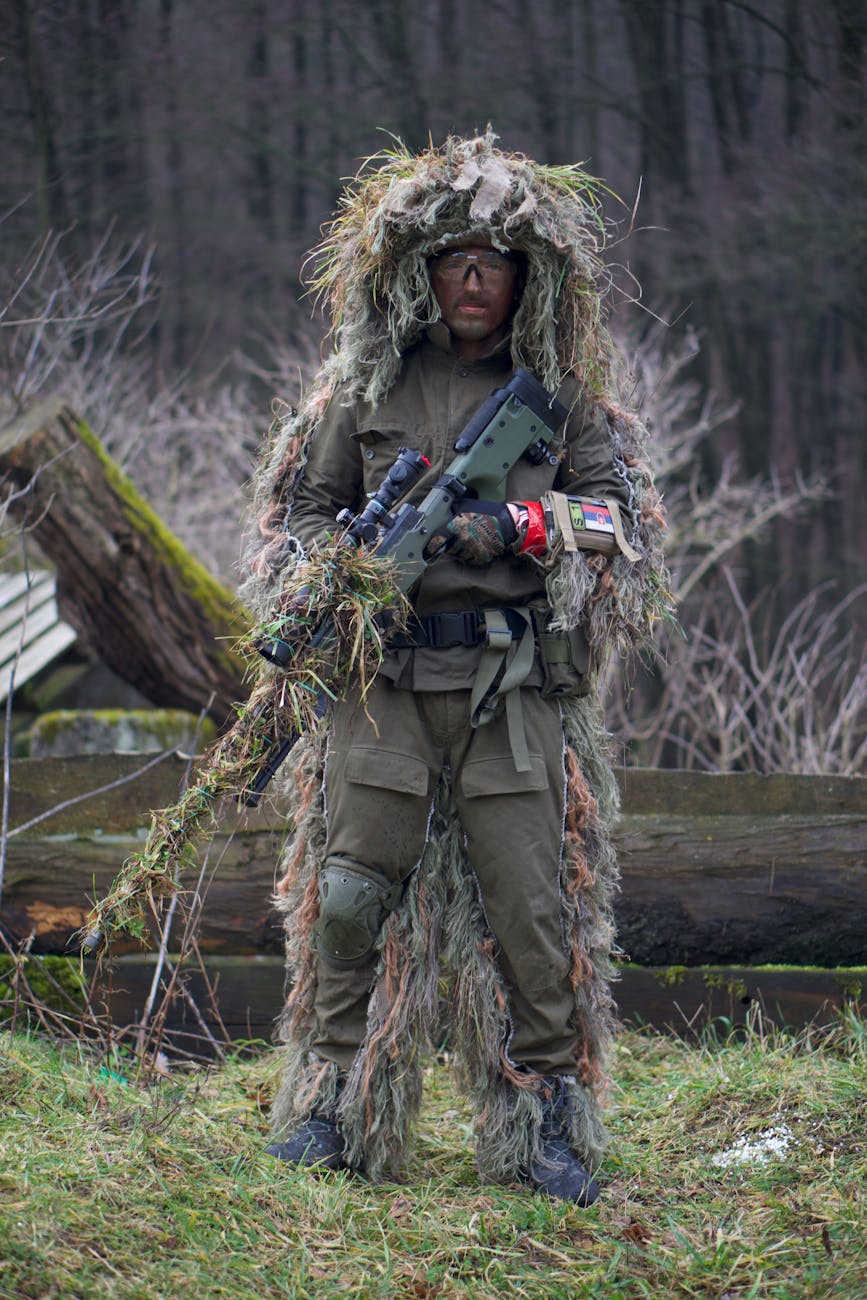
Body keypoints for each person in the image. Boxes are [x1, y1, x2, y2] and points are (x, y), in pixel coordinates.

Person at [241, 132, 668, 1203]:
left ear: (526, 276)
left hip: (508, 697)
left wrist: (515, 526)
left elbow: (620, 524)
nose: (473, 279)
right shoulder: (367, 389)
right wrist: (336, 575)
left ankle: (549, 1128)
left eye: (494, 261)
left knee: (534, 914)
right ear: (419, 273)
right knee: (344, 902)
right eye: (453, 259)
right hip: (382, 695)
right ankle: (331, 1106)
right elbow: (302, 507)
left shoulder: (560, 402)